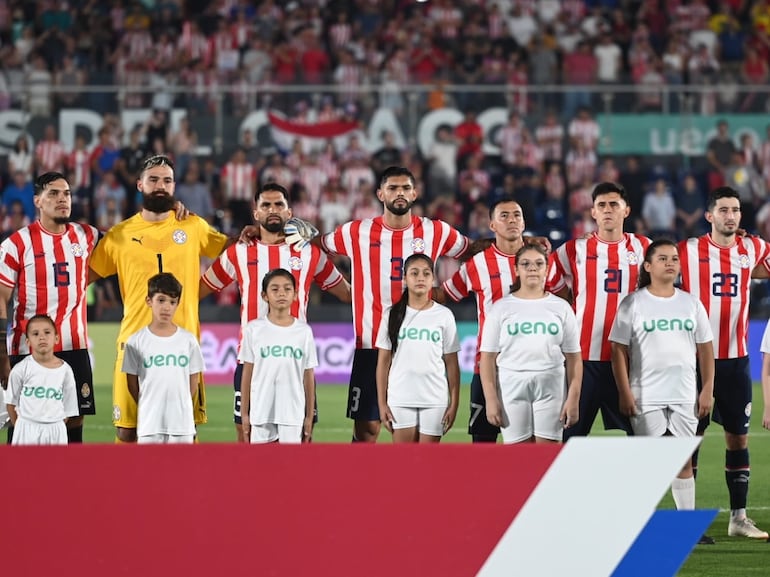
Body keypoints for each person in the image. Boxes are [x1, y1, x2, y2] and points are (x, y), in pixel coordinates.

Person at [89, 155, 234, 443]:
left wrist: (205, 287)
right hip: (134, 343)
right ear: (139, 184)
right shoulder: (119, 235)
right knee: (127, 430)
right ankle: (129, 490)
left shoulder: (193, 226)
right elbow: (84, 277)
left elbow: (233, 251)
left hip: (183, 344)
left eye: (167, 180)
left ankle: (184, 489)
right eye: (153, 179)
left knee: (184, 430)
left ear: (174, 186)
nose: (160, 185)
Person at [319, 166, 469, 442]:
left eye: (404, 188)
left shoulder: (435, 231)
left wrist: (521, 243)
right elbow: (318, 246)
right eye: (392, 188)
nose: (399, 193)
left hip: (418, 345)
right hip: (372, 344)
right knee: (367, 430)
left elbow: (470, 251)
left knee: (414, 435)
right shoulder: (357, 231)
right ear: (380, 194)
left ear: (415, 193)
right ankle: (361, 486)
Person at [200, 182, 350, 442]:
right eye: (265, 205)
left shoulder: (309, 253)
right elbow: (198, 290)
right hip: (251, 361)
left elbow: (347, 294)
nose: (272, 209)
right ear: (255, 213)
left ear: (289, 212)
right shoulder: (239, 252)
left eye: (279, 204)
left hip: (295, 362)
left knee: (301, 437)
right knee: (245, 434)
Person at [678, 186, 770, 539]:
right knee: (691, 440)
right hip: (695, 361)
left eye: (735, 210)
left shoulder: (753, 247)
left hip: (736, 362)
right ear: (709, 215)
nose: (730, 216)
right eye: (723, 210)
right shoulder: (688, 251)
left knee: (738, 440)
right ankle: (688, 523)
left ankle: (738, 519)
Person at [610, 239, 714, 518]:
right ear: (648, 266)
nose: (670, 263)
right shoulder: (633, 303)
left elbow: (705, 349)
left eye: (674, 259)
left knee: (683, 459)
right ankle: (638, 521)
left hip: (684, 393)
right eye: (663, 259)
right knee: (648, 462)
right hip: (645, 395)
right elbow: (618, 350)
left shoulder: (691, 303)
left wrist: (706, 390)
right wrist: (624, 392)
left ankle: (684, 524)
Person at [0, 172, 99, 444]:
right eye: (53, 194)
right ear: (38, 201)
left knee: (76, 415)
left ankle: (70, 481)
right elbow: (1, 296)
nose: (62, 199)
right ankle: (15, 481)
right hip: (26, 347)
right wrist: (1, 352)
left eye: (66, 193)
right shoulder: (17, 244)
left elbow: (125, 243)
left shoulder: (86, 235)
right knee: (21, 416)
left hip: (73, 343)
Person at [547, 182, 652, 440]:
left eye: (613, 204)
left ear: (626, 210)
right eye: (601, 205)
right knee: (570, 437)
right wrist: (571, 300)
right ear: (592, 212)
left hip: (632, 358)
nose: (607, 210)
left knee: (641, 438)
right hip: (584, 358)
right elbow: (548, 275)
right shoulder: (575, 249)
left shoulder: (644, 247)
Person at [440, 197, 526, 443]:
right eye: (504, 216)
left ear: (524, 222)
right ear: (492, 225)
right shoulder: (477, 264)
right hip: (486, 365)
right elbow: (446, 293)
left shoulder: (539, 261)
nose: (511, 220)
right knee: (482, 442)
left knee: (529, 445)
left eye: (516, 215)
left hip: (530, 366)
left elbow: (562, 299)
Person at [479, 244, 582, 444]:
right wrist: (491, 399)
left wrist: (574, 398)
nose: (532, 268)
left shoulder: (561, 308)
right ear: (516, 269)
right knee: (517, 460)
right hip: (511, 384)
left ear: (547, 268)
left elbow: (574, 358)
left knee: (547, 458)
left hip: (551, 384)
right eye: (525, 264)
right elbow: (487, 358)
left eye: (538, 263)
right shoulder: (501, 308)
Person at [376, 254, 460, 443]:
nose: (420, 278)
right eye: (414, 273)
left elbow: (452, 363)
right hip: (400, 397)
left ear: (433, 279)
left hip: (435, 399)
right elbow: (383, 362)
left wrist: (454, 403)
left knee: (428, 465)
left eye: (426, 273)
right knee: (404, 464)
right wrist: (382, 403)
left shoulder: (444, 316)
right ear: (404, 278)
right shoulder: (391, 314)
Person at [123, 273, 204, 444]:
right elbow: (131, 383)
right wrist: (148, 404)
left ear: (177, 305)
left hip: (182, 425)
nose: (166, 307)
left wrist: (180, 404)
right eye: (161, 300)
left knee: (182, 470)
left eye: (172, 302)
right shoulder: (135, 341)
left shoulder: (188, 340)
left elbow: (193, 380)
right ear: (149, 301)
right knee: (150, 470)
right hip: (149, 424)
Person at [240, 268, 317, 444]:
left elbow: (308, 375)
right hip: (261, 411)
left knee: (291, 467)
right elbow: (248, 372)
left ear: (295, 294)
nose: (281, 293)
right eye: (274, 289)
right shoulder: (254, 329)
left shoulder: (303, 332)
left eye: (287, 289)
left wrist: (309, 416)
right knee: (259, 467)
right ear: (264, 296)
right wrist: (245, 414)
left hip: (292, 412)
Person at [4, 314, 78, 445]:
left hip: (56, 431)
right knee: (25, 465)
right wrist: (22, 426)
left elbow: (69, 407)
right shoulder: (21, 369)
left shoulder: (65, 371)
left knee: (55, 465)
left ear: (56, 338)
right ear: (28, 342)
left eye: (47, 332)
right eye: (35, 334)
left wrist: (53, 424)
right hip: (26, 429)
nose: (42, 337)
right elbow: (10, 403)